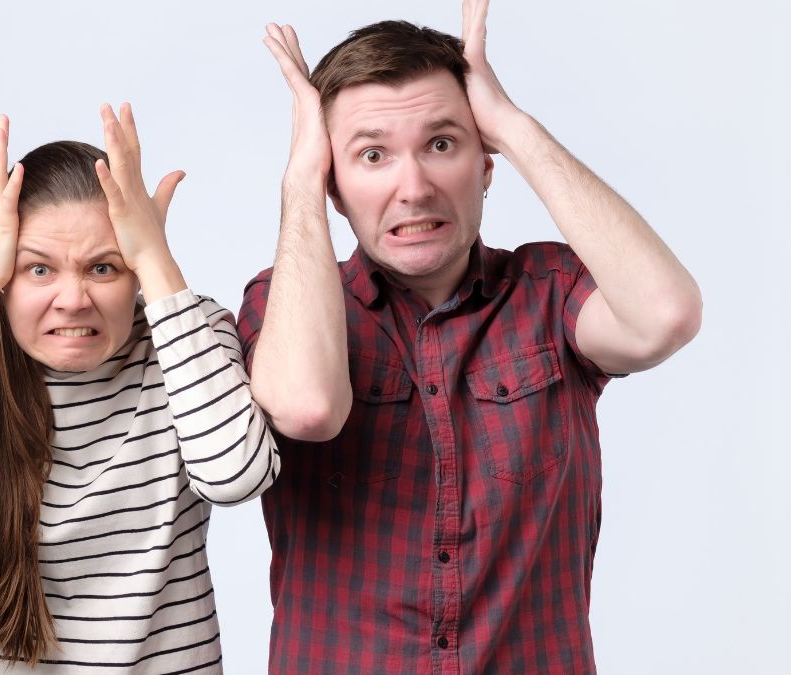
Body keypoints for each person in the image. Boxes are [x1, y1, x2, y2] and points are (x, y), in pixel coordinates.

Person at [241, 1, 702, 672]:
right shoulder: (277, 305)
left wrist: (511, 125)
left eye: (441, 144)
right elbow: (308, 407)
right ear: (335, 185)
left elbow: (667, 314)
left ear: (484, 165)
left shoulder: (551, 293)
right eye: (372, 155)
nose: (414, 186)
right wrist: (300, 184)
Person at [0, 105, 278, 674]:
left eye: (104, 268)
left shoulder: (189, 336)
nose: (73, 299)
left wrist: (156, 258)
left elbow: (236, 478)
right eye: (38, 270)